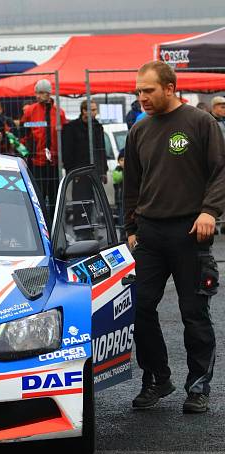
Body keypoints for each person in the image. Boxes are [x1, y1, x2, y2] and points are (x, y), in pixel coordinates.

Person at [125, 60, 225, 413]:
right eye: (138, 91)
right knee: (140, 308)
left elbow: (220, 172)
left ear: (170, 87)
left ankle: (198, 386)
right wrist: (131, 229)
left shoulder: (201, 122)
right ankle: (157, 377)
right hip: (150, 234)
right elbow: (132, 187)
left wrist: (209, 211)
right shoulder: (139, 130)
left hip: (190, 231)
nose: (142, 97)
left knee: (193, 312)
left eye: (148, 90)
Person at [20, 79, 67, 222]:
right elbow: (23, 134)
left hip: (54, 163)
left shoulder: (59, 113)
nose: (37, 96)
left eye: (41, 93)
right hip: (36, 161)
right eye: (36, 93)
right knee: (38, 197)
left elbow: (64, 135)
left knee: (54, 198)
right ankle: (39, 224)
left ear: (48, 94)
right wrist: (27, 152)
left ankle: (55, 225)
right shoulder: (30, 111)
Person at [62, 100, 107, 178]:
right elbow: (67, 152)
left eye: (96, 110)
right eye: (92, 110)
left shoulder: (98, 127)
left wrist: (103, 171)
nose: (95, 112)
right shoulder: (72, 127)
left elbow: (102, 150)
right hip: (78, 171)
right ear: (84, 111)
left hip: (95, 170)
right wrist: (71, 171)